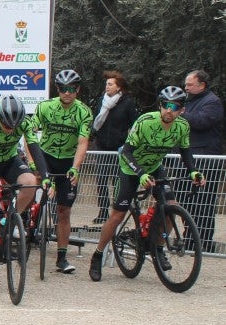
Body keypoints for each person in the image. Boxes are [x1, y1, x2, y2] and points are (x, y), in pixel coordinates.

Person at [88, 86, 206, 281]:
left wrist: (193, 170)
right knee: (117, 215)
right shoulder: (146, 122)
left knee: (170, 207)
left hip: (154, 166)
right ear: (160, 106)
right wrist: (140, 173)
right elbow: (126, 151)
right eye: (166, 105)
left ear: (182, 110)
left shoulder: (182, 126)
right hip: (130, 167)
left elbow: (185, 151)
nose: (169, 110)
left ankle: (158, 247)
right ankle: (98, 254)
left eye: (175, 107)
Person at [0, 95, 48, 283]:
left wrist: (45, 177)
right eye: (6, 125)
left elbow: (34, 147)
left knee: (30, 181)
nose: (9, 130)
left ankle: (12, 219)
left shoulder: (24, 123)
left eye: (13, 127)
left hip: (9, 161)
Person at [30, 69, 92, 273]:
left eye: (72, 89)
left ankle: (62, 257)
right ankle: (22, 229)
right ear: (57, 89)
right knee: (29, 190)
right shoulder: (45, 107)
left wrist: (75, 168)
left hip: (67, 161)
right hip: (46, 157)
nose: (67, 93)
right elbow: (30, 134)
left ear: (78, 89)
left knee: (64, 211)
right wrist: (33, 164)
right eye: (63, 89)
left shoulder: (84, 111)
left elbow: (83, 142)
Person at [180, 69, 223, 252]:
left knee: (203, 203)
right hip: (188, 159)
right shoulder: (189, 101)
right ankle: (189, 238)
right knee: (186, 202)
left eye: (190, 84)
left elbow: (202, 121)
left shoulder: (212, 102)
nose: (186, 88)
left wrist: (180, 114)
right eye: (186, 84)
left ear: (202, 85)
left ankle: (204, 242)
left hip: (206, 159)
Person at [89, 70, 138, 224]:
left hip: (119, 148)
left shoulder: (128, 103)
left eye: (110, 84)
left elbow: (135, 124)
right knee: (101, 179)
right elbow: (97, 120)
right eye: (106, 84)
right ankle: (103, 211)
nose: (107, 87)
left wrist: (128, 143)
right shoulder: (101, 101)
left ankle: (117, 211)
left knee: (118, 180)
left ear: (119, 87)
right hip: (102, 146)